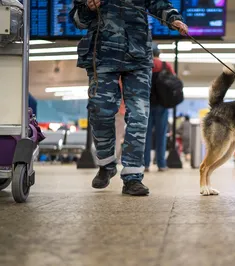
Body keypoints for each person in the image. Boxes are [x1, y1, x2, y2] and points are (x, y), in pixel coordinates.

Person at [69, 0, 188, 196]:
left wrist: (174, 19)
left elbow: (160, 4)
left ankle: (133, 177)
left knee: (139, 115)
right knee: (100, 110)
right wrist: (88, 7)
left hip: (138, 56)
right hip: (102, 56)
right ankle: (106, 163)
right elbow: (78, 20)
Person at [144, 44, 174, 172]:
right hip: (162, 104)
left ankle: (145, 164)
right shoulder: (165, 65)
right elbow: (173, 81)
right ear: (158, 53)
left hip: (147, 104)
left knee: (146, 135)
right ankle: (161, 164)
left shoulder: (145, 65)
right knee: (161, 135)